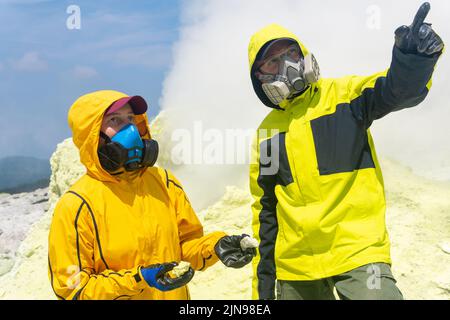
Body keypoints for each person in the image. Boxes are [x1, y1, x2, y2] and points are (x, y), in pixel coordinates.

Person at [248, 2, 443, 300]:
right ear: (259, 77)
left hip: (359, 253)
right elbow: (266, 213)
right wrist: (262, 292)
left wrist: (413, 58)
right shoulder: (267, 134)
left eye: (291, 54)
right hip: (296, 268)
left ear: (304, 55)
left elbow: (397, 90)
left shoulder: (345, 96)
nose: (286, 65)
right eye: (272, 62)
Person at [48, 90, 256, 300]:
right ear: (91, 134)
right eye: (115, 120)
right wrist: (139, 280)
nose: (129, 128)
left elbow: (184, 249)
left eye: (130, 118)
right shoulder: (77, 205)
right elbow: (72, 289)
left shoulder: (163, 182)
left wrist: (216, 246)